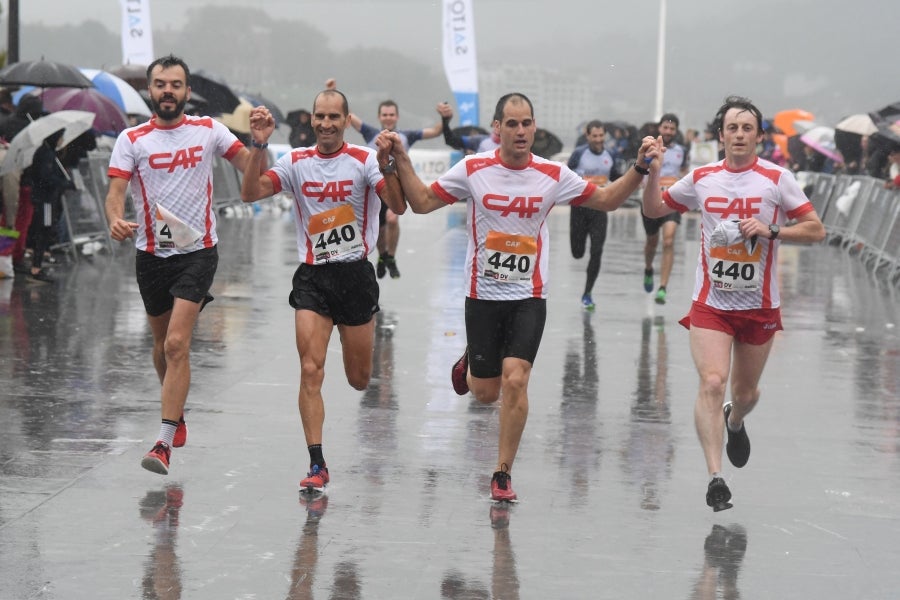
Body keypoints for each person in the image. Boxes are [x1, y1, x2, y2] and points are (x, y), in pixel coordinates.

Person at [381, 92, 657, 502]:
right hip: (483, 295)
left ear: (534, 127)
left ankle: (502, 472)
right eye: (511, 124)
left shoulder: (552, 173)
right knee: (486, 392)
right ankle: (471, 360)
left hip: (529, 295)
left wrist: (639, 168)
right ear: (497, 129)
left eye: (527, 123)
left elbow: (607, 200)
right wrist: (400, 157)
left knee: (516, 379)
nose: (521, 131)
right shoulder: (474, 169)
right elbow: (420, 203)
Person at [641, 95, 826, 511]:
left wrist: (771, 229)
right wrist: (653, 174)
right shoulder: (702, 177)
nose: (739, 135)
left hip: (759, 306)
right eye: (732, 128)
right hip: (711, 304)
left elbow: (815, 230)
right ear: (720, 135)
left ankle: (736, 419)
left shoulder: (777, 179)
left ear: (759, 136)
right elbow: (654, 209)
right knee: (711, 381)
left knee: (745, 393)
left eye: (747, 129)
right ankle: (715, 477)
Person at [239, 88, 406, 494]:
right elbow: (250, 193)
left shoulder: (364, 160)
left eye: (334, 117)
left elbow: (398, 206)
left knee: (359, 379)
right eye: (320, 116)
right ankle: (317, 462)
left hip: (355, 277)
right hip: (313, 276)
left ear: (347, 120)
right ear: (311, 120)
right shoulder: (295, 162)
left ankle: (358, 374)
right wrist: (258, 143)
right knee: (311, 369)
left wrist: (388, 168)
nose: (326, 124)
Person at [105, 54, 260, 476]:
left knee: (176, 344)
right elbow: (115, 191)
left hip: (198, 252)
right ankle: (177, 413)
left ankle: (163, 441)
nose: (167, 91)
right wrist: (115, 219)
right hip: (151, 255)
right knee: (161, 349)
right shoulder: (132, 139)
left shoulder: (209, 130)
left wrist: (259, 144)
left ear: (187, 92)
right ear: (150, 91)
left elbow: (249, 167)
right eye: (160, 84)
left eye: (175, 84)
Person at [349, 98, 446, 279]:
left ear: (397, 117)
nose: (388, 118)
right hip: (376, 187)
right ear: (379, 116)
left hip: (397, 186)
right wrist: (331, 92)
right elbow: (351, 118)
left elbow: (435, 131)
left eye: (391, 115)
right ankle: (382, 256)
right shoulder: (371, 133)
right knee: (379, 226)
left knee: (393, 219)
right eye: (385, 115)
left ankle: (391, 257)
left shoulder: (406, 135)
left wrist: (444, 118)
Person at [567, 120, 621, 310]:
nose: (598, 140)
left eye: (601, 136)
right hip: (579, 209)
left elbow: (616, 177)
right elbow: (567, 176)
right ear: (588, 136)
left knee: (596, 251)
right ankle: (578, 250)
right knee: (577, 252)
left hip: (600, 210)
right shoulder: (579, 153)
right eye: (594, 136)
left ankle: (588, 293)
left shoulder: (610, 154)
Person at [641, 113, 689, 305]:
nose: (668, 131)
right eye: (665, 128)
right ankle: (648, 268)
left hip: (671, 201)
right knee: (652, 242)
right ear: (659, 128)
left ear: (676, 131)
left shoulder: (681, 151)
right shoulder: (649, 147)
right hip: (651, 201)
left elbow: (684, 171)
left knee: (668, 240)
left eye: (672, 129)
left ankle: (662, 287)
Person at [24, 129, 74, 283]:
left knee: (44, 230)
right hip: (45, 200)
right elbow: (45, 177)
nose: (62, 140)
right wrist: (63, 183)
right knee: (44, 230)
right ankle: (36, 268)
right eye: (60, 137)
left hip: (45, 198)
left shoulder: (48, 153)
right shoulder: (46, 154)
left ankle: (37, 265)